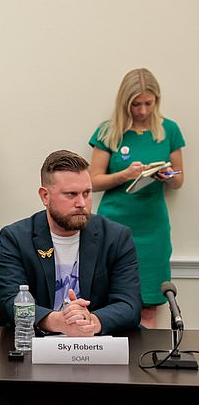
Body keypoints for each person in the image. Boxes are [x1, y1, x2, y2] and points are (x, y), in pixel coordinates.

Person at [0, 150, 141, 336]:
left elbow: (130, 304)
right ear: (45, 196)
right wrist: (58, 321)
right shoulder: (16, 238)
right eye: (71, 194)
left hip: (96, 345)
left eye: (87, 193)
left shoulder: (116, 237)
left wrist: (92, 321)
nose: (82, 203)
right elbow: (11, 302)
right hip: (38, 343)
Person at [89, 68, 185, 329]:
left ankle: (144, 364)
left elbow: (179, 180)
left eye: (148, 103)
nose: (142, 110)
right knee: (108, 303)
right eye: (136, 104)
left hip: (152, 228)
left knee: (149, 306)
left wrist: (167, 174)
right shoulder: (108, 131)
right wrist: (124, 175)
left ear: (157, 100)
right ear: (125, 102)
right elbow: (93, 181)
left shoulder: (169, 130)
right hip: (115, 225)